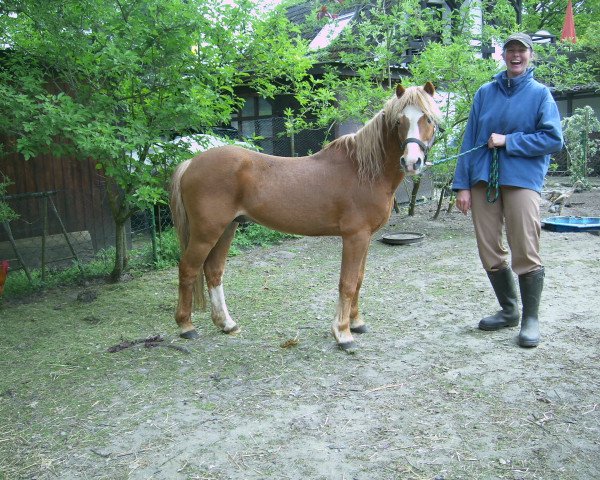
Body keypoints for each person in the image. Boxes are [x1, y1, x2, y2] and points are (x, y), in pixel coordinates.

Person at [452, 32, 563, 348]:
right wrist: (461, 185)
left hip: (521, 180)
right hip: (483, 181)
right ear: (502, 55)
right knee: (489, 249)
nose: (516, 55)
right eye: (510, 50)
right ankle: (509, 309)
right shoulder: (485, 93)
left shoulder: (541, 95)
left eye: (522, 51)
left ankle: (530, 318)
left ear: (530, 56)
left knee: (525, 248)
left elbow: (553, 139)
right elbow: (470, 140)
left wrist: (509, 141)